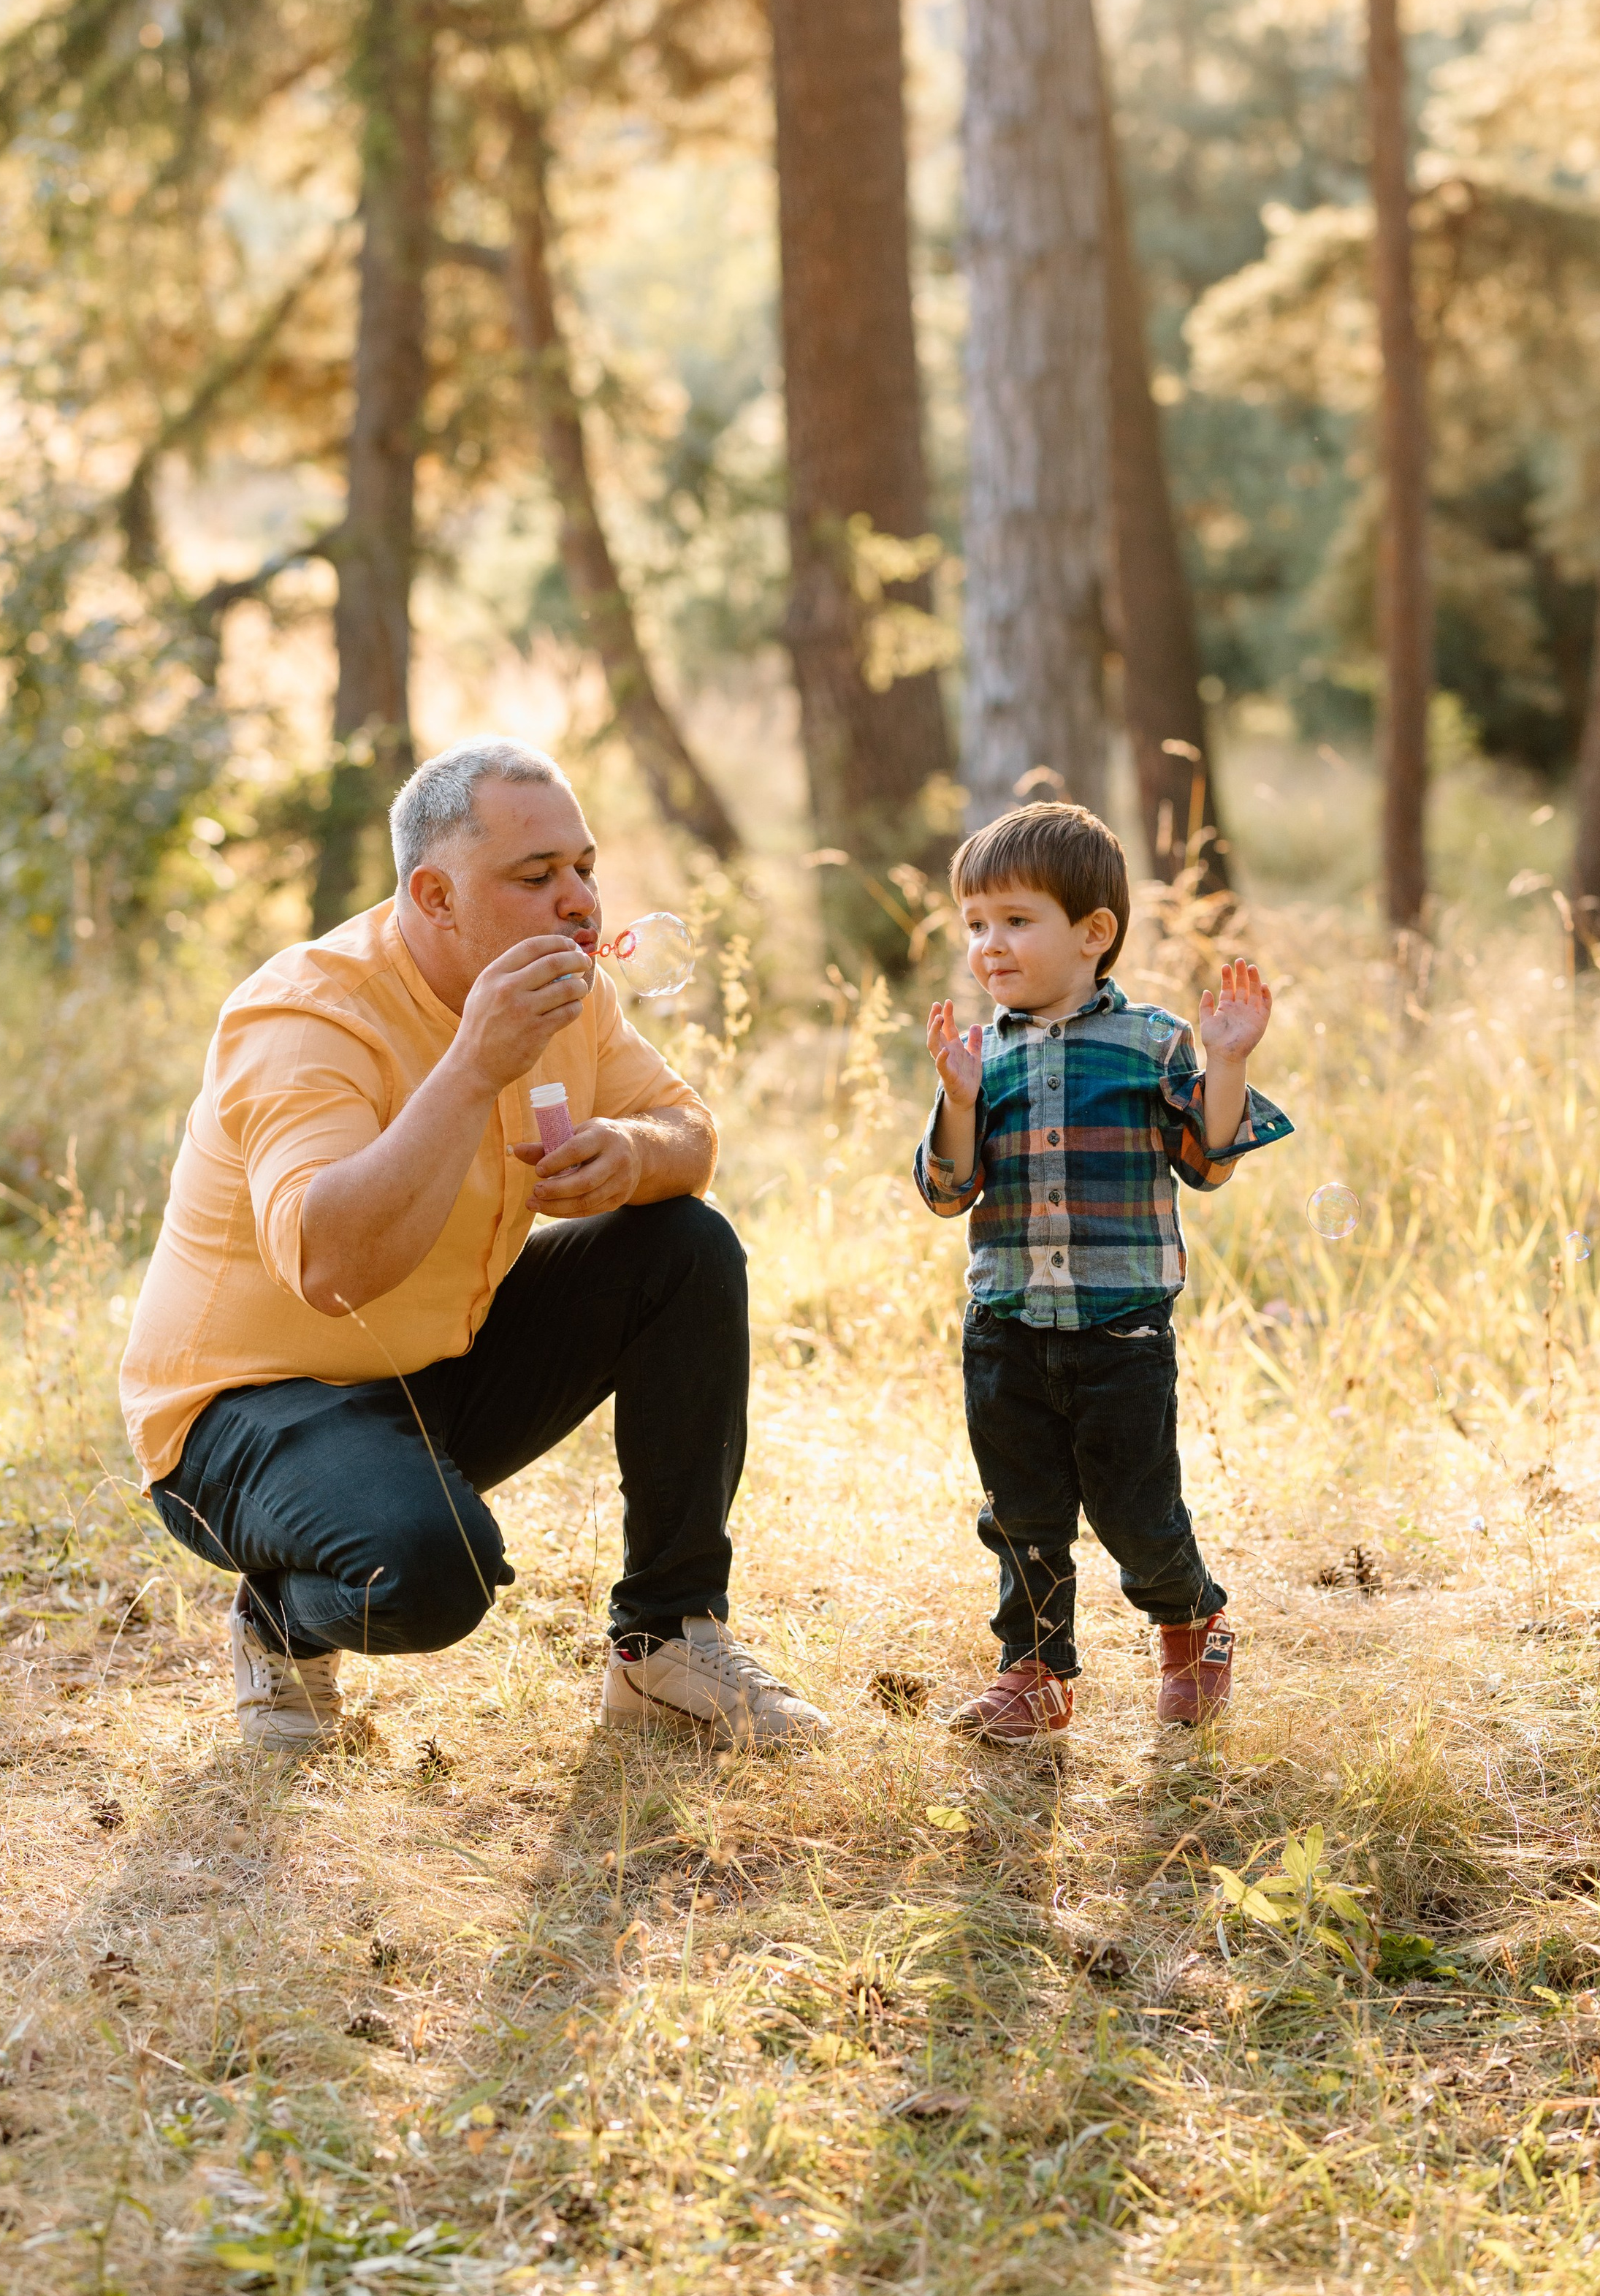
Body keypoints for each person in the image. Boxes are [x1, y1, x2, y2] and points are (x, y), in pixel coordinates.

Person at [121, 736, 828, 1753]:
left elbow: (691, 1134)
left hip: (428, 1370)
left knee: (687, 1245)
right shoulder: (304, 1017)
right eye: (536, 877)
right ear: (437, 896)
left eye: (583, 867)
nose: (579, 901)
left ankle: (667, 1641)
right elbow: (331, 1269)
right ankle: (278, 1621)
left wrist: (631, 1155)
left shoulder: (570, 992)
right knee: (432, 1576)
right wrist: (471, 1067)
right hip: (242, 1415)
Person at [914, 800, 1292, 1743]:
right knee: (1021, 1516)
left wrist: (1227, 1061)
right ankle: (1036, 1672)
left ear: (1094, 934)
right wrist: (957, 1102)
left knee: (1136, 1510)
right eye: (974, 925)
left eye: (1015, 921)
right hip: (1005, 1330)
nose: (989, 945)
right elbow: (948, 1191)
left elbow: (1207, 1162)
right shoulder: (979, 1056)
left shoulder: (1148, 1043)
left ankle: (1190, 1621)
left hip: (1122, 1335)